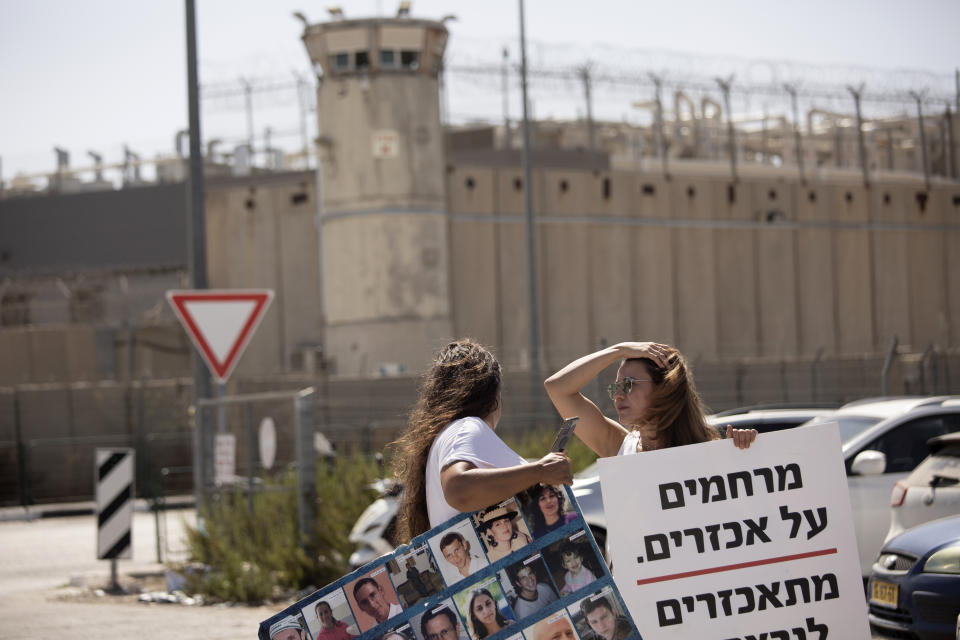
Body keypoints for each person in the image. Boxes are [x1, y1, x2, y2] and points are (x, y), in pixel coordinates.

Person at [392, 339, 573, 542]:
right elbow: (458, 489)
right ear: (494, 394)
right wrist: (539, 471)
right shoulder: (467, 427)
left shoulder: (449, 434)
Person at [544, 342, 757, 458]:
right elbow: (557, 388)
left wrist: (745, 450)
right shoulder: (619, 446)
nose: (618, 395)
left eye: (628, 384)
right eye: (616, 387)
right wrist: (618, 350)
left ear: (664, 389)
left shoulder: (709, 452)